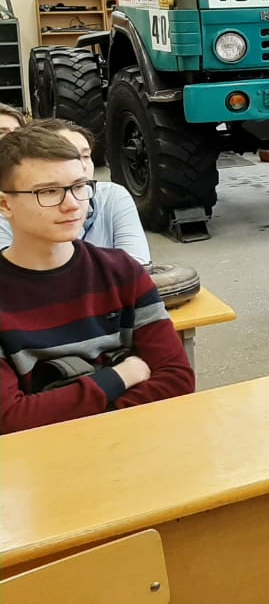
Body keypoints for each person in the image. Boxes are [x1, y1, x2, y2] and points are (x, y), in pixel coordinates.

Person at [0, 128, 193, 433]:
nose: (72, 204)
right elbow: (10, 418)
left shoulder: (121, 271)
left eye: (79, 186)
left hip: (134, 441)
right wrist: (122, 375)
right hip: (38, 457)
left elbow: (177, 379)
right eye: (48, 192)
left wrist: (74, 413)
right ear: (4, 205)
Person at [0, 120, 149, 266]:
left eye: (85, 156)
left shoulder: (112, 196)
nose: (80, 166)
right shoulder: (14, 207)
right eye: (65, 156)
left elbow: (138, 265)